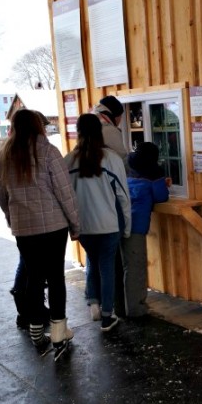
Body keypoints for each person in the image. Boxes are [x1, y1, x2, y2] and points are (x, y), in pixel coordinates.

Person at [0, 109, 80, 360]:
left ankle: (35, 330)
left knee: (33, 277)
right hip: (53, 227)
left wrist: (12, 219)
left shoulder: (5, 155)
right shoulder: (48, 152)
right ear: (38, 127)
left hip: (24, 229)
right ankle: (58, 331)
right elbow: (65, 193)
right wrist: (76, 224)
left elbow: (2, 196)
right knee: (55, 278)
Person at [66, 113, 131, 332]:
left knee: (92, 261)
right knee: (107, 267)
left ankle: (93, 302)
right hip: (108, 225)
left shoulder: (68, 160)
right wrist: (128, 227)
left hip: (82, 226)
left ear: (78, 132)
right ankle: (107, 315)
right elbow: (123, 196)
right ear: (99, 131)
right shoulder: (111, 159)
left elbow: (64, 197)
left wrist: (71, 226)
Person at [120, 142, 170, 317]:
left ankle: (119, 306)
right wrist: (164, 183)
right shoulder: (153, 174)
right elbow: (161, 196)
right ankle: (136, 308)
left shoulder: (128, 168)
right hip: (135, 227)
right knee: (135, 267)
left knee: (122, 266)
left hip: (117, 223)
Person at [91, 95, 130, 165]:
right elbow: (122, 159)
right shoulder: (109, 130)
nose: (120, 120)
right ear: (116, 116)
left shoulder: (89, 122)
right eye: (120, 116)